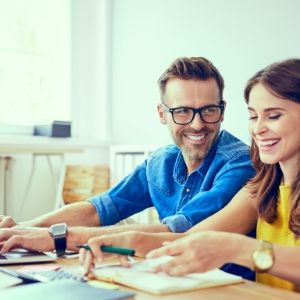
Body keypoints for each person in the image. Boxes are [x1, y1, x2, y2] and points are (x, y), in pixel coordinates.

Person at [0, 58, 254, 276]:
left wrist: (58, 236)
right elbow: (97, 210)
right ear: (162, 113)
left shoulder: (241, 162)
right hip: (171, 279)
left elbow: (177, 230)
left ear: (222, 110)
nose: (197, 124)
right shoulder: (159, 163)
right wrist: (20, 230)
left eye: (208, 110)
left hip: (225, 287)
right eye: (183, 111)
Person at [83, 58, 299, 291]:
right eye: (254, 116)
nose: (258, 129)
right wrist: (127, 241)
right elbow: (193, 238)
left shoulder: (239, 166)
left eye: (273, 116)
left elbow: (222, 244)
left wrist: (236, 248)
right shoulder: (263, 187)